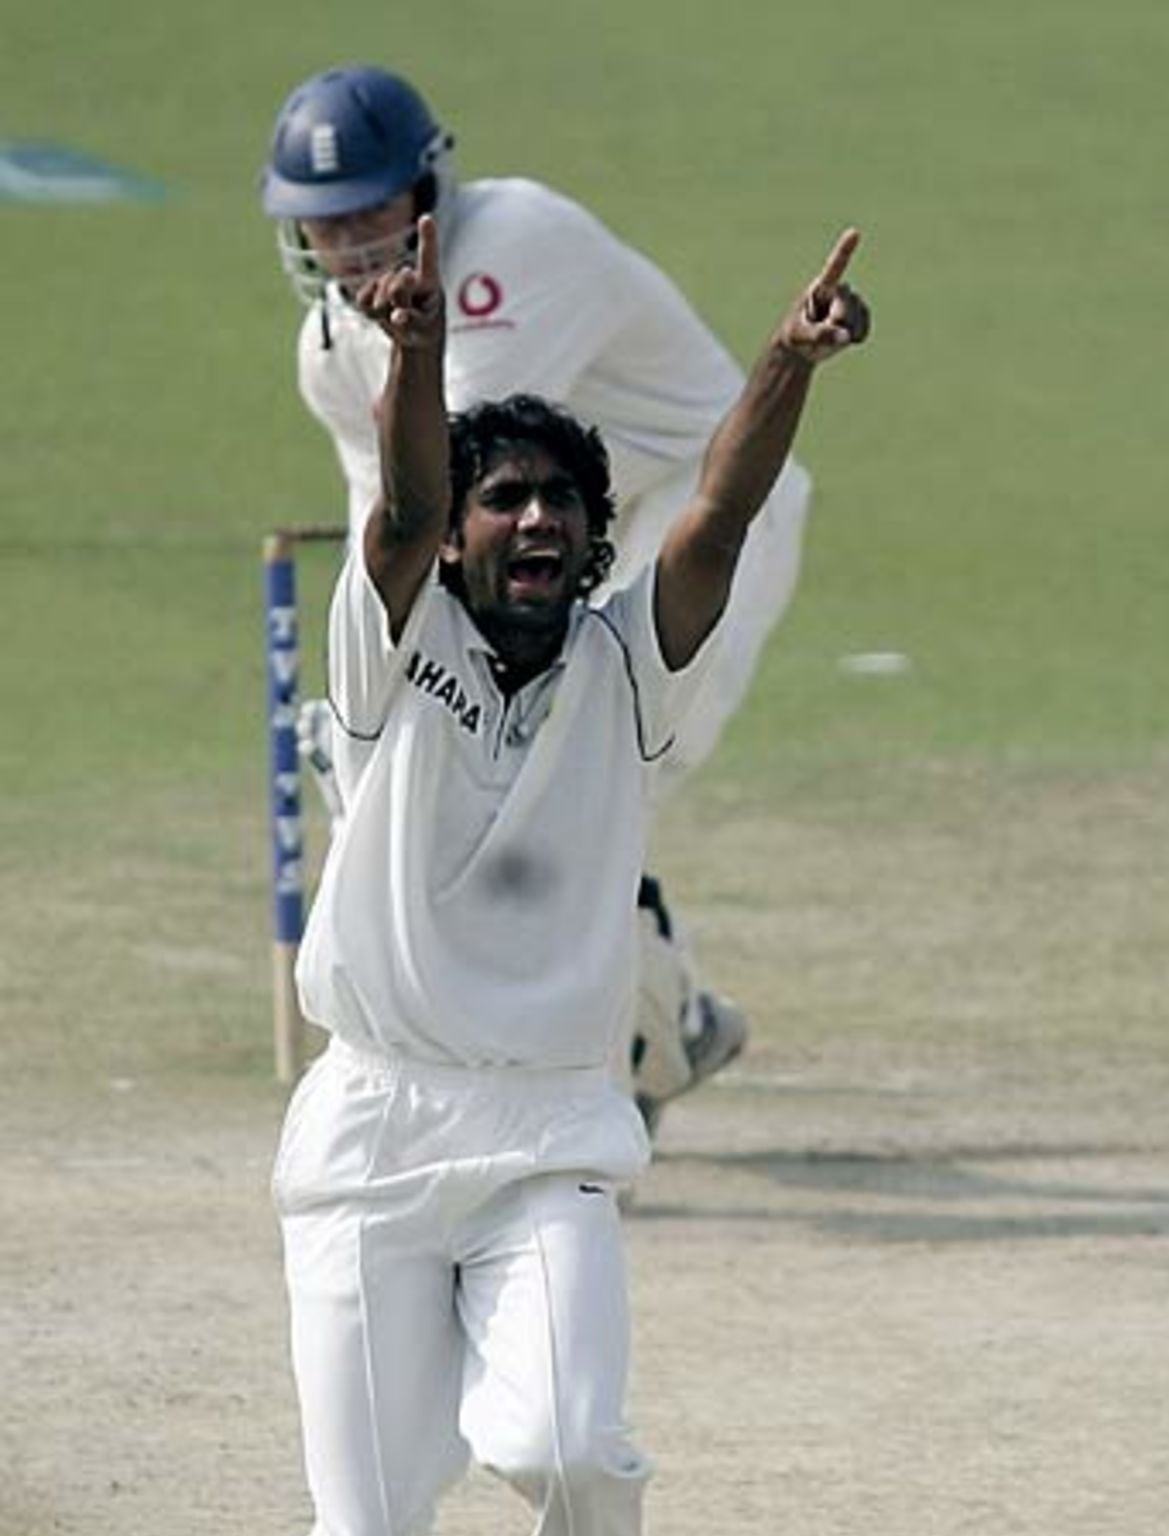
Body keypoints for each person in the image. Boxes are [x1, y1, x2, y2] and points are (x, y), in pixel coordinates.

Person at [264, 209, 869, 1536]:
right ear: (458, 538)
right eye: (504, 502)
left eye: (563, 509)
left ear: (594, 544)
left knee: (576, 1449)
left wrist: (785, 360)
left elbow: (725, 514)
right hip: (373, 1131)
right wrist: (423, 355)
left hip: (543, 1137)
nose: (535, 523)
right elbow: (388, 504)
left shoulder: (629, 669)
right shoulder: (393, 655)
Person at [259, 64, 815, 1132]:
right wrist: (360, 721)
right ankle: (673, 1024)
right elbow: (395, 533)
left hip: (696, 517)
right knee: (501, 795)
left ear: (427, 191)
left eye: (371, 207)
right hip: (549, 546)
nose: (352, 242)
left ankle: (616, 1068)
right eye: (323, 223)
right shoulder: (328, 349)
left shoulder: (513, 248)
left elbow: (461, 475)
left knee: (590, 794)